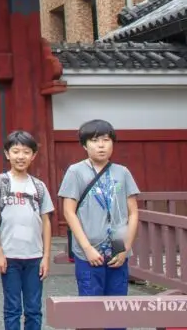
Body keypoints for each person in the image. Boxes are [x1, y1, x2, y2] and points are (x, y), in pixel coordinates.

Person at [58, 119, 139, 330]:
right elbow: (68, 211)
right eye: (94, 140)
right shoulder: (76, 171)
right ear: (84, 145)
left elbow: (133, 212)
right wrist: (87, 248)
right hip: (89, 249)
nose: (101, 145)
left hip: (118, 247)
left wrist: (126, 248)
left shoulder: (122, 172)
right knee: (90, 311)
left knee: (117, 310)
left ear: (113, 143)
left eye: (105, 140)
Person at [0, 131, 54, 330]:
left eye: (26, 152)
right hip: (9, 255)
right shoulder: (0, 182)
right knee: (12, 308)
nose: (20, 156)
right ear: (7, 154)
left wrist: (46, 256)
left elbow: (46, 220)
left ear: (33, 155)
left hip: (34, 256)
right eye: (15, 151)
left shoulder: (38, 186)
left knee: (34, 308)